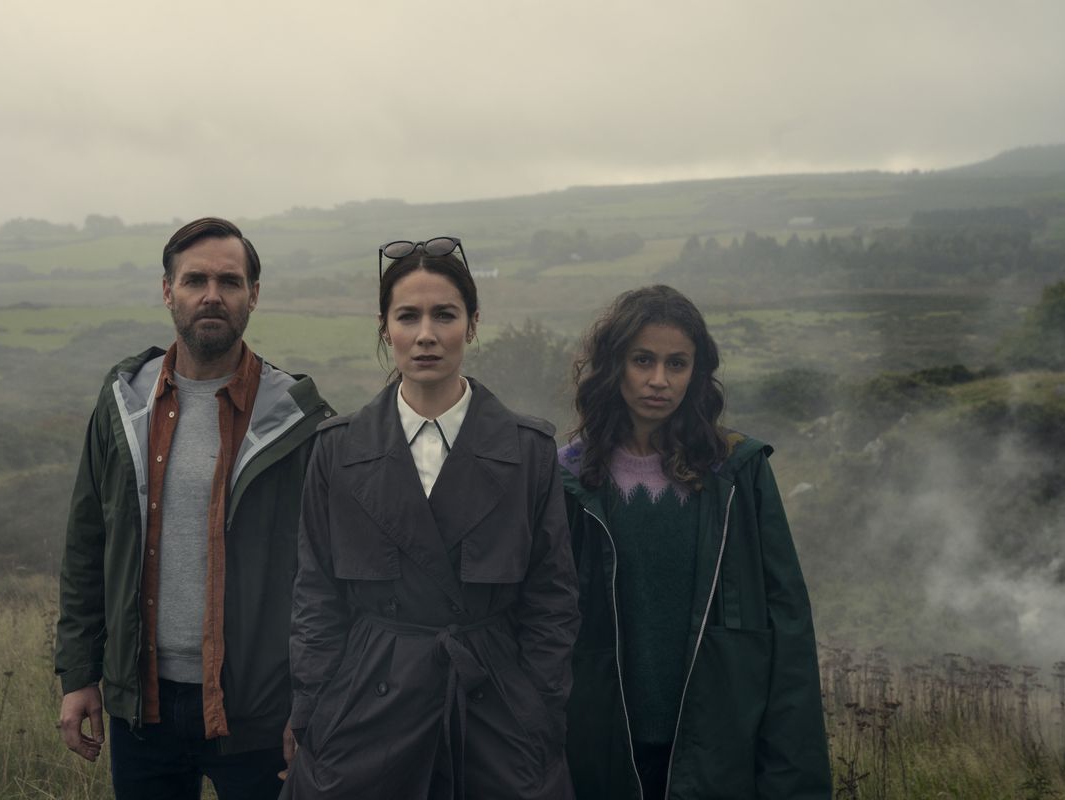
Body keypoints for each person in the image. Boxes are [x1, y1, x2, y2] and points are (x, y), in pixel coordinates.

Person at [284, 237, 580, 799]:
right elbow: (315, 594)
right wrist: (313, 711)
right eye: (408, 316)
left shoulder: (528, 450)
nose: (426, 335)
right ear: (383, 327)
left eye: (444, 315)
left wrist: (539, 709)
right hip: (365, 711)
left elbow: (553, 598)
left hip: (495, 711)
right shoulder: (337, 450)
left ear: (471, 325)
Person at [55, 217, 334, 799]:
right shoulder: (123, 406)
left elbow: (327, 576)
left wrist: (314, 700)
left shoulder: (298, 422)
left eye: (230, 282)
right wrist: (79, 675)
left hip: (257, 711)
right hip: (144, 708)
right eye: (195, 280)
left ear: (253, 296)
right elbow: (88, 544)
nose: (212, 295)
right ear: (167, 291)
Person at [558, 285, 831, 799]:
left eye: (677, 364)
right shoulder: (569, 481)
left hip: (718, 755)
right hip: (600, 754)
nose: (659, 380)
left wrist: (795, 782)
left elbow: (787, 630)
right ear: (613, 365)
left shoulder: (738, 474)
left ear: (697, 373)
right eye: (643, 360)